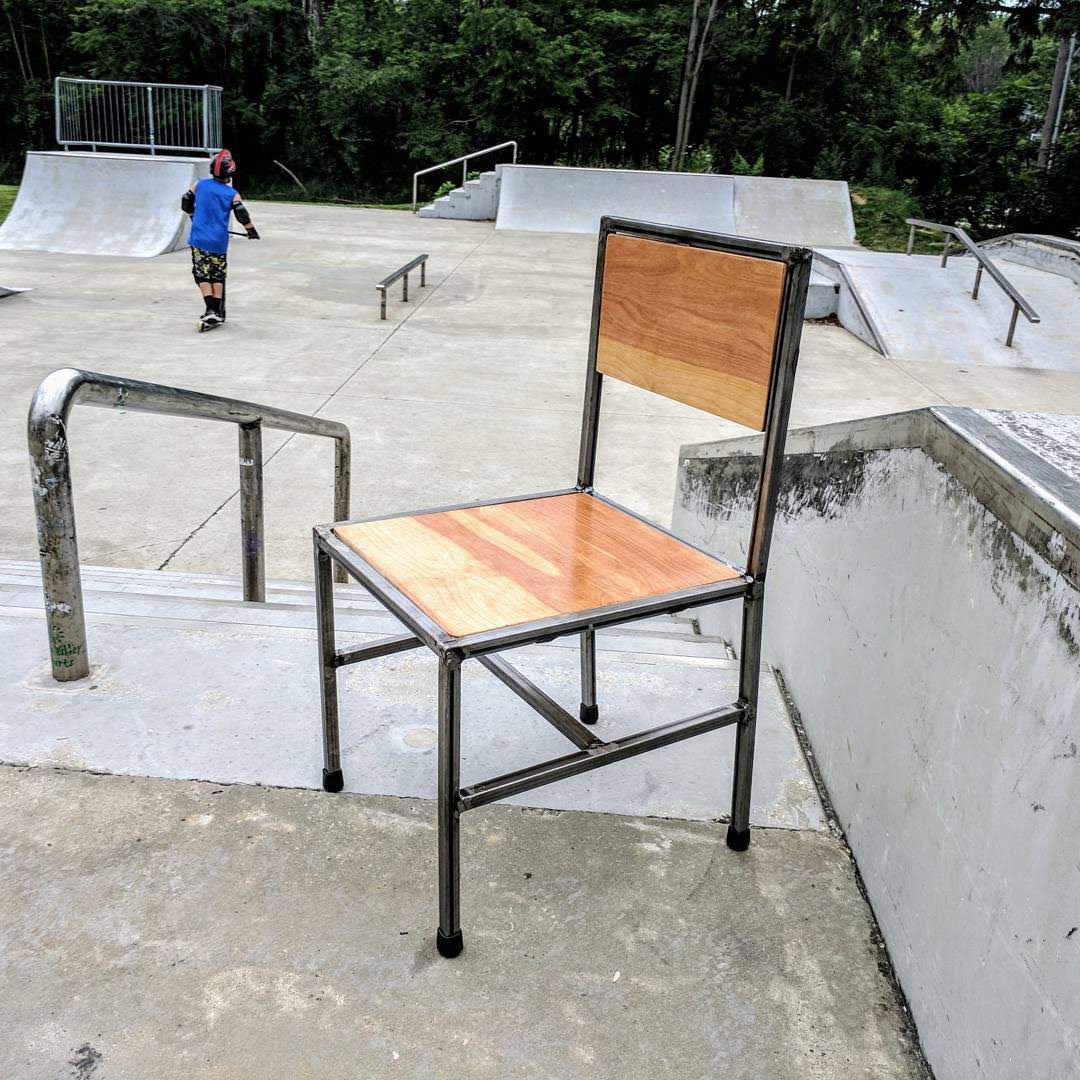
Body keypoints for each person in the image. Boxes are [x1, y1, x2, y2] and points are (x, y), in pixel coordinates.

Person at [181, 149, 259, 328]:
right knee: (217, 275)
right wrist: (251, 230)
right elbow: (241, 213)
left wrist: (193, 214)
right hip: (218, 241)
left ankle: (211, 310)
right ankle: (215, 311)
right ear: (230, 172)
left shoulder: (200, 184)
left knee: (201, 273)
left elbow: (186, 200)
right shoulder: (231, 193)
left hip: (199, 238)